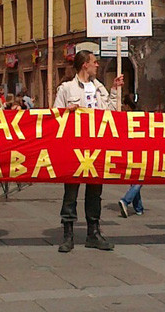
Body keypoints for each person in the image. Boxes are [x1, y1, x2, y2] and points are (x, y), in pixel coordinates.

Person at [53, 50, 123, 252]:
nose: (97, 65)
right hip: (74, 148)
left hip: (96, 147)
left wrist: (114, 90)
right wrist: (68, 112)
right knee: (71, 191)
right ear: (85, 64)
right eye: (94, 62)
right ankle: (68, 234)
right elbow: (56, 116)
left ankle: (94, 232)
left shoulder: (98, 87)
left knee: (95, 191)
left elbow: (111, 113)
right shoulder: (66, 88)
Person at [117, 94, 144, 218]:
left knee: (135, 179)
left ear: (127, 106)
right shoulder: (144, 117)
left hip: (129, 151)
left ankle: (138, 208)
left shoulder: (124, 117)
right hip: (142, 151)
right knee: (139, 180)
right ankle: (126, 200)